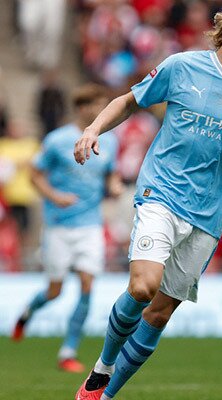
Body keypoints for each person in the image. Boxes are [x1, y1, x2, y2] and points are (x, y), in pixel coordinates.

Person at [73, 1, 222, 399]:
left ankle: (104, 397)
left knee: (158, 313)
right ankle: (102, 366)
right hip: (162, 193)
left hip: (208, 216)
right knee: (143, 288)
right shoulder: (182, 66)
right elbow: (129, 100)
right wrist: (93, 128)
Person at [11, 84, 122, 373]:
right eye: (97, 105)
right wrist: (55, 197)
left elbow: (111, 174)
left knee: (87, 285)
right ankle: (26, 313)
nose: (101, 111)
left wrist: (114, 185)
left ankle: (68, 351)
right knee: (55, 290)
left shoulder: (109, 141)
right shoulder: (58, 140)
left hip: (90, 226)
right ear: (82, 107)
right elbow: (35, 174)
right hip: (59, 227)